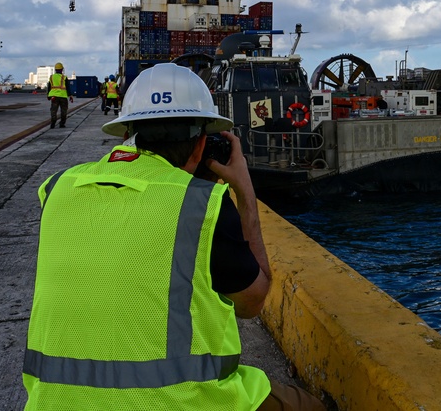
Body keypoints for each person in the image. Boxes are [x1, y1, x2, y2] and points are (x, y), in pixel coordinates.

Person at [22, 63, 326, 411]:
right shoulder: (200, 204)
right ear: (201, 146)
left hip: (54, 402)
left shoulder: (58, 188)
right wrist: (244, 192)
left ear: (127, 135)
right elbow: (252, 303)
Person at [47, 62, 70, 129]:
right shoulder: (64, 77)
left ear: (55, 69)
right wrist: (70, 95)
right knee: (64, 111)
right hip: (63, 96)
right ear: (62, 69)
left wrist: (48, 95)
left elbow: (49, 87)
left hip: (54, 96)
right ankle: (62, 124)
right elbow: (68, 87)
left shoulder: (51, 77)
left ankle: (53, 123)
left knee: (53, 110)